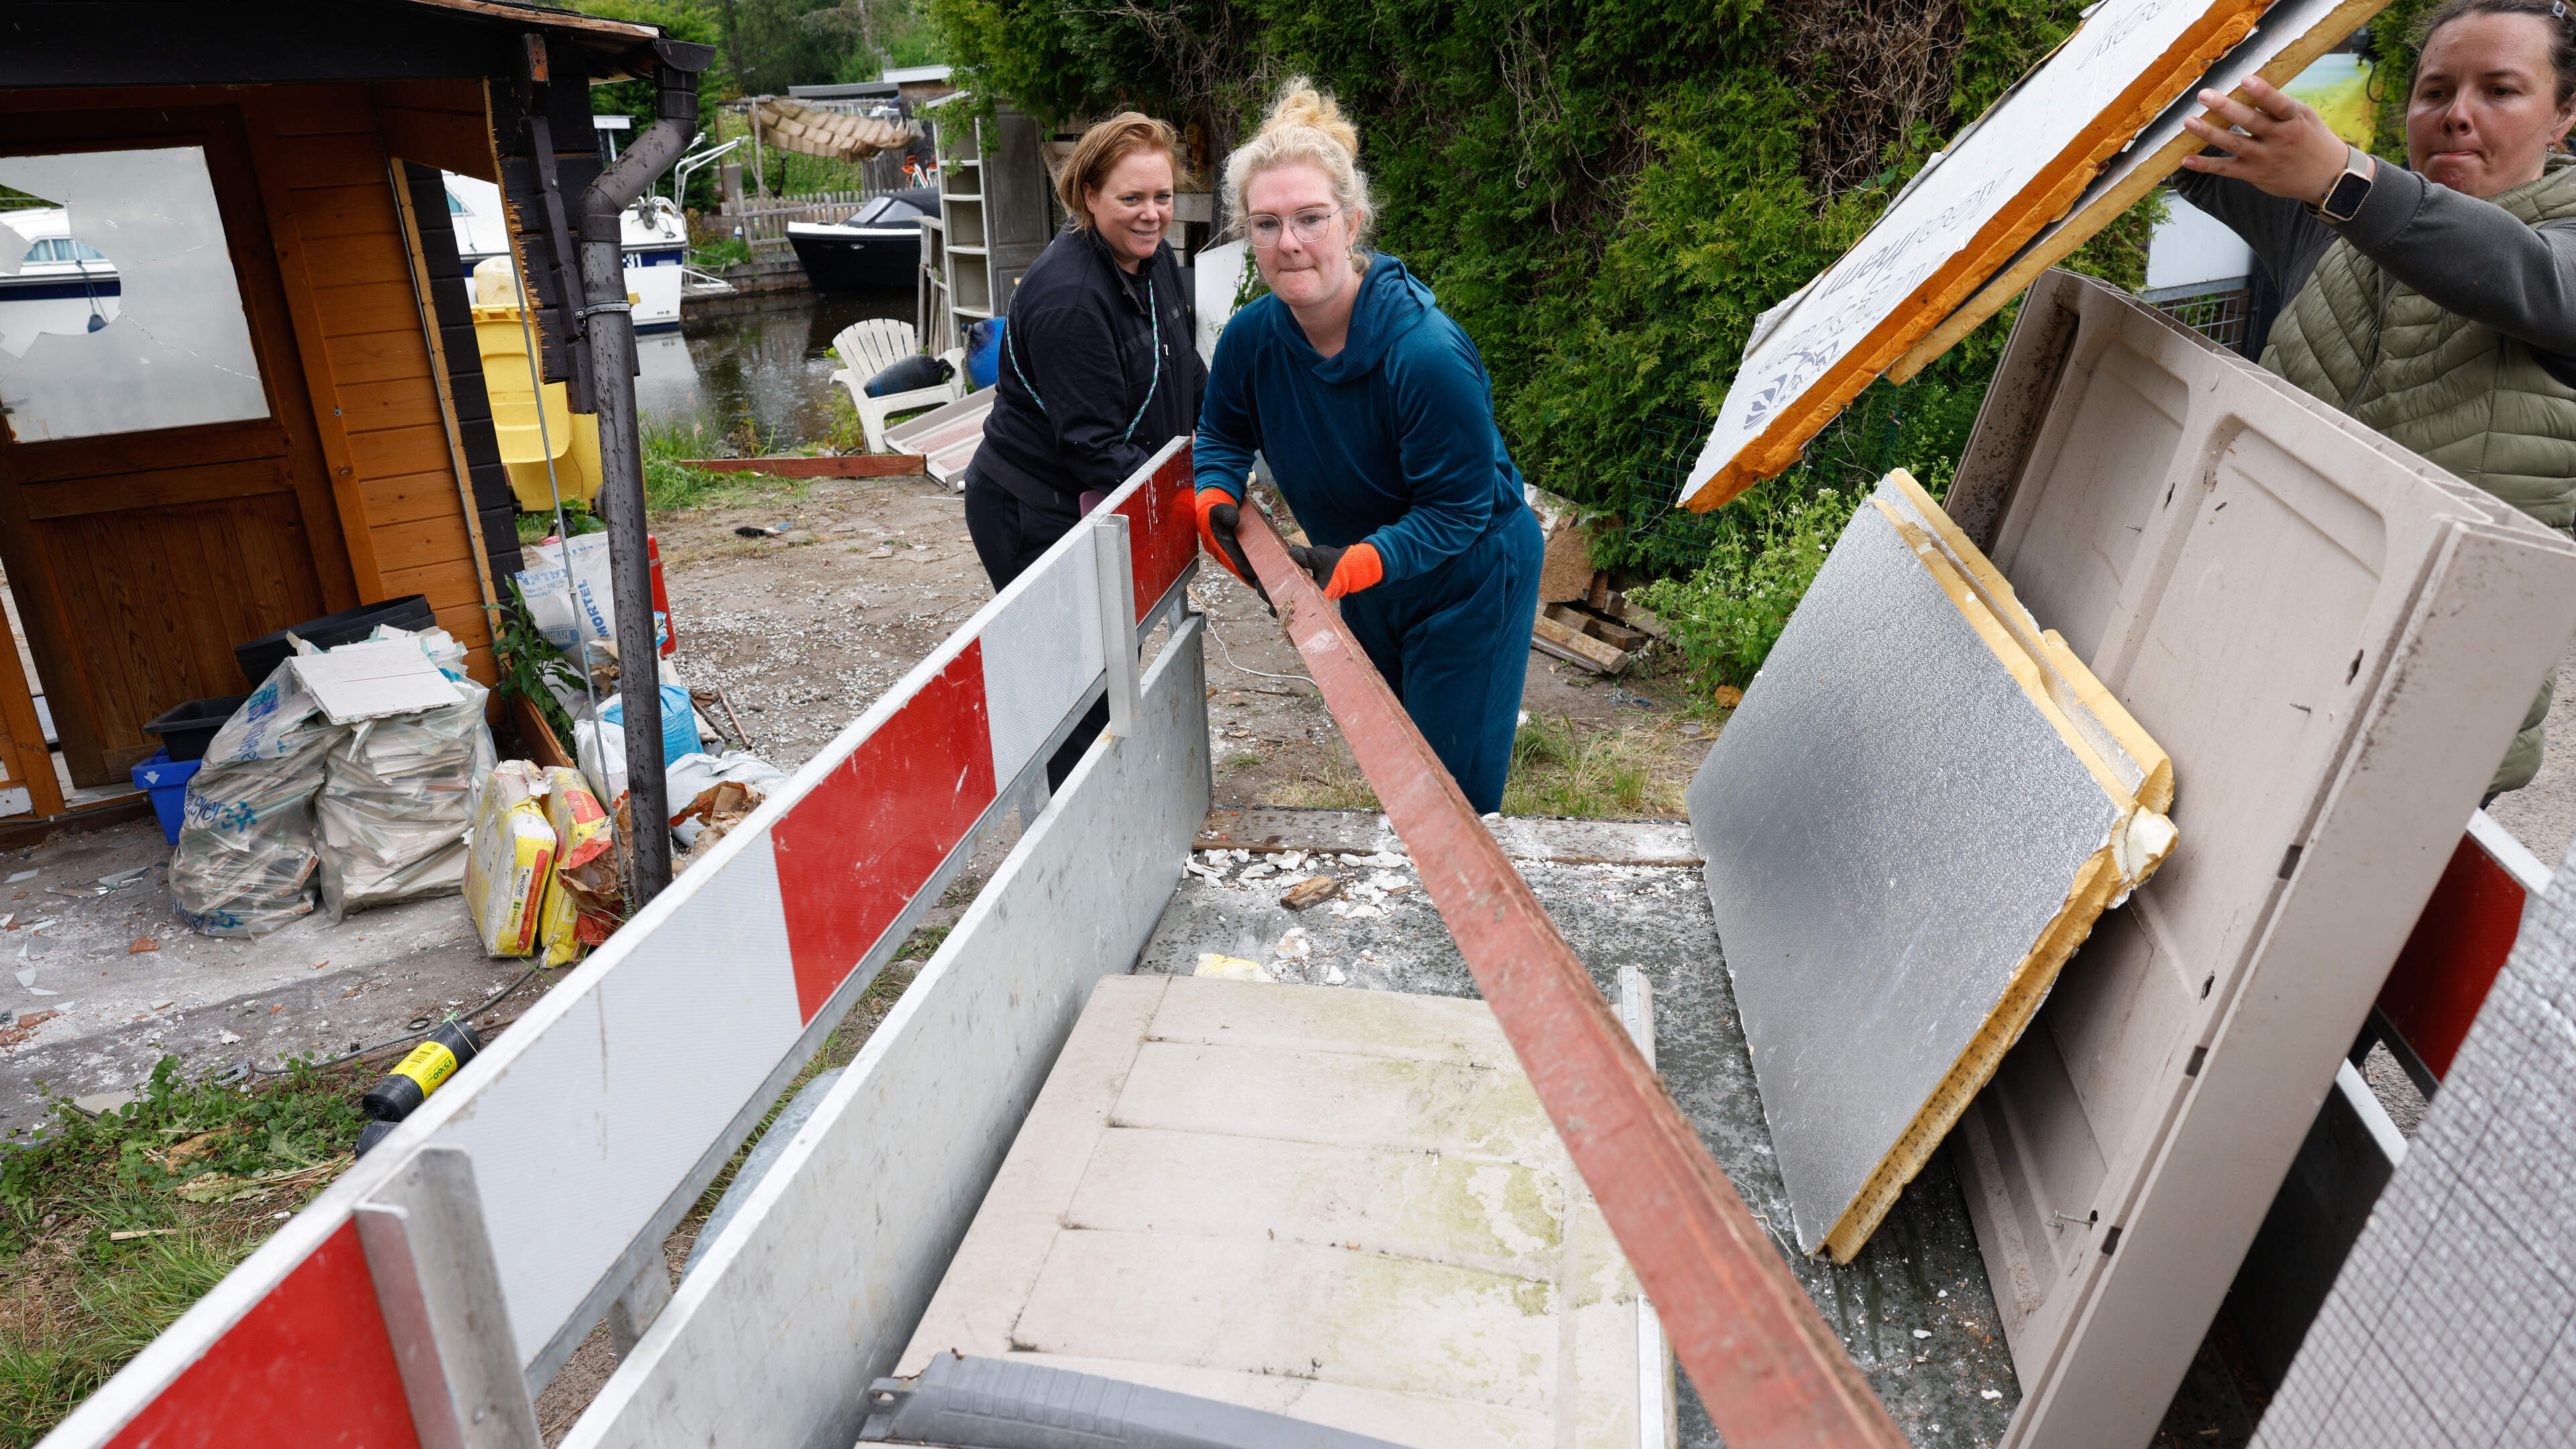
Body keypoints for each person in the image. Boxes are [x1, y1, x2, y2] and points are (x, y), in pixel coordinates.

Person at [2175, 0, 2576, 795]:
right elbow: (2178, 139)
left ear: (2565, 115)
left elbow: (2523, 276)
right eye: (2434, 92)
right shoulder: (2329, 224)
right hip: (2256, 662)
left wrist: (2342, 178)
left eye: (2500, 91)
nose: (2458, 116)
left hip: (2430, 723)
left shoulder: (2558, 247)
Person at [1193, 79, 1542, 815]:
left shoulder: (1423, 354)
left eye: (1311, 219)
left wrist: (1349, 567)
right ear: (1247, 235)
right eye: (1267, 224)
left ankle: (1471, 917)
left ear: (1353, 224)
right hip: (1366, 571)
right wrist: (1214, 498)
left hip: (1469, 572)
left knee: (1452, 795)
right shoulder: (1253, 340)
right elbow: (1222, 435)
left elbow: (1455, 512)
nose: (1289, 243)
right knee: (1396, 765)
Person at [964, 111, 1205, 788]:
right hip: (1031, 510)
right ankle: (1077, 838)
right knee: (1072, 688)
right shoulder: (1071, 297)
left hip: (1094, 499)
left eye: (1162, 197)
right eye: (1131, 199)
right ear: (1089, 196)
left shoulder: (1153, 261)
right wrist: (1189, 500)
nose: (1152, 214)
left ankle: (1123, 806)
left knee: (1112, 655)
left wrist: (1220, 451)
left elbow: (1184, 370)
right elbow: (1094, 448)